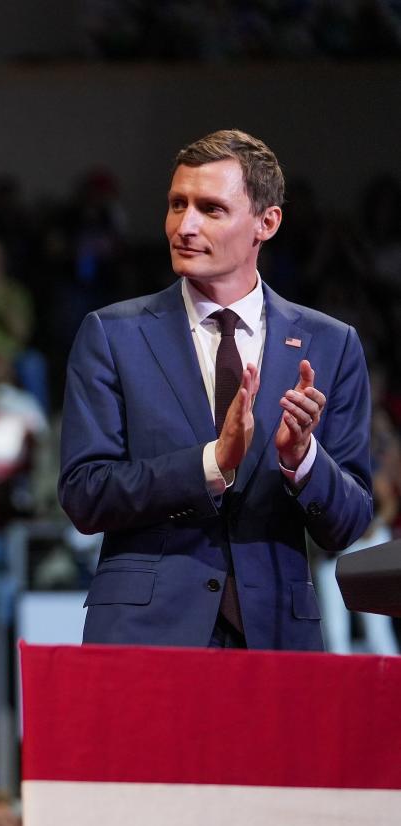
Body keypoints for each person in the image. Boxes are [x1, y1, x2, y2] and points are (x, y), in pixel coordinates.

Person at [59, 129, 373, 650]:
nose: (184, 226)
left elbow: (347, 525)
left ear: (266, 223)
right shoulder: (112, 335)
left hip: (276, 637)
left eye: (210, 209)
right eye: (177, 205)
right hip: (146, 640)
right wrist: (210, 464)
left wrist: (303, 460)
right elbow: (84, 494)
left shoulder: (331, 345)